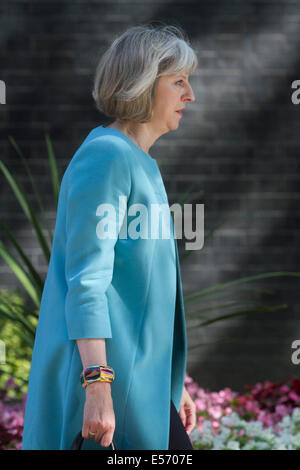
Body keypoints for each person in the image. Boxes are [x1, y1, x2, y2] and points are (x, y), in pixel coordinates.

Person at [21, 23, 198, 451]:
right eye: (178, 82)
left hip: (143, 387)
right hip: (110, 387)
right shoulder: (106, 156)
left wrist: (172, 382)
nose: (190, 96)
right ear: (142, 84)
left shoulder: (143, 165)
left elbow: (145, 291)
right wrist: (96, 386)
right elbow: (87, 280)